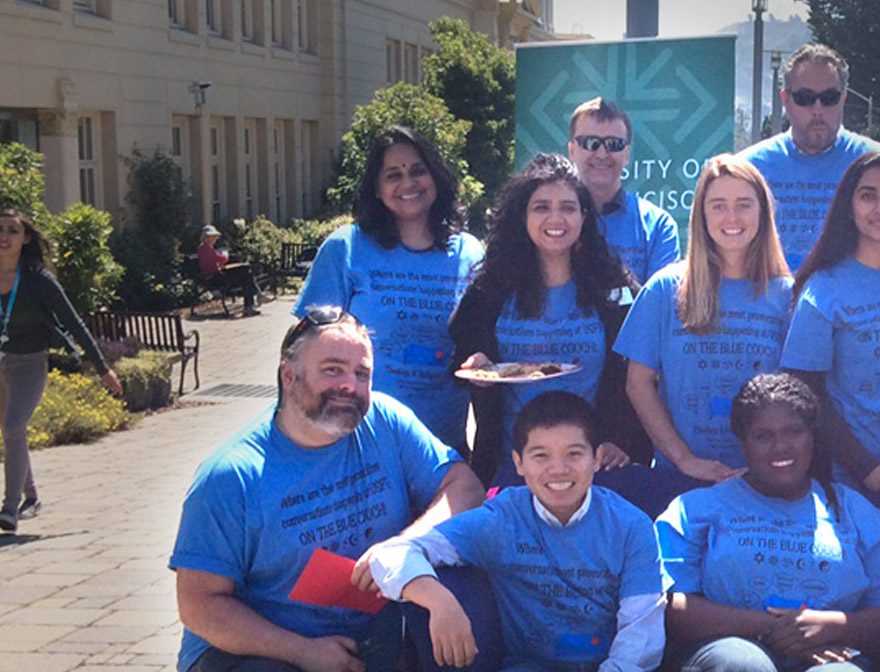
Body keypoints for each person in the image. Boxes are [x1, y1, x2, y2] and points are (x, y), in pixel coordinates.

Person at [170, 306, 484, 672]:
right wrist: (302, 652)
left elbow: (465, 487)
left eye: (361, 373)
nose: (349, 385)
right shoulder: (231, 476)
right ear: (289, 376)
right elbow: (199, 605)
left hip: (368, 639)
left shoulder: (384, 421)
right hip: (258, 649)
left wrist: (405, 546)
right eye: (332, 370)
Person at [363, 391, 666, 672]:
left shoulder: (631, 527)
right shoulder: (501, 520)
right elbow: (392, 554)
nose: (558, 469)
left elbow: (640, 638)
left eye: (574, 454)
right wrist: (439, 600)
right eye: (541, 456)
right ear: (518, 463)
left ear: (597, 458)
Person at [656, 373, 880, 671]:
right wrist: (774, 628)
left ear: (812, 435)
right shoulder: (697, 509)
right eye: (763, 436)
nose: (781, 447)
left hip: (833, 653)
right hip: (729, 648)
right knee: (744, 663)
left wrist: (832, 627)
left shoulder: (857, 513)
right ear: (743, 443)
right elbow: (670, 606)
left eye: (794, 432)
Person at [448, 154, 641, 487]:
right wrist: (475, 369)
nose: (556, 218)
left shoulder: (613, 286)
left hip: (591, 469)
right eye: (541, 207)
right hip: (510, 468)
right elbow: (462, 360)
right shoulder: (490, 288)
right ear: (522, 216)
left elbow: (639, 372)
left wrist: (619, 440)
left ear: (584, 216)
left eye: (567, 207)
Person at [294, 126, 485, 451]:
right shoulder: (346, 247)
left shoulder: (469, 253)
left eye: (418, 171)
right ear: (377, 189)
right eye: (393, 175)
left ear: (436, 178)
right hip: (356, 447)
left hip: (442, 449)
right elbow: (302, 352)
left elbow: (484, 339)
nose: (407, 183)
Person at [615, 154, 794, 484]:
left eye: (744, 204)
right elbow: (637, 383)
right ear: (701, 214)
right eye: (718, 205)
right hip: (680, 478)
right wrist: (685, 459)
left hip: (765, 480)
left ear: (762, 212)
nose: (732, 217)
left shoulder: (787, 295)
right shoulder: (665, 289)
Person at [783, 149, 880, 493]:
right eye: (868, 196)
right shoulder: (824, 289)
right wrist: (865, 467)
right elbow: (805, 390)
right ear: (849, 206)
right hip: (851, 484)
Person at [0, 208, 122, 535]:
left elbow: (75, 324)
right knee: (11, 431)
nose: (4, 237)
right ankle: (32, 497)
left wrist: (102, 368)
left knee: (13, 426)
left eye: (12, 231)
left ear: (25, 239)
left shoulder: (39, 279)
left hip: (29, 363)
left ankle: (9, 509)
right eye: (0, 230)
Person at [741, 44, 880, 272]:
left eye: (829, 98)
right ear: (786, 100)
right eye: (805, 98)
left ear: (843, 99)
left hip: (853, 304)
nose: (818, 109)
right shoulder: (750, 168)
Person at [567, 96, 681, 283]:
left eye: (613, 144)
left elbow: (661, 307)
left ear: (627, 154)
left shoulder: (659, 227)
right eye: (590, 143)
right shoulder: (550, 222)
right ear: (572, 151)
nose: (602, 154)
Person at [196, 224, 266, 316]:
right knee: (246, 275)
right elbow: (222, 259)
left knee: (246, 274)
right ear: (206, 237)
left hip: (216, 275)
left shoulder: (206, 248)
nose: (215, 239)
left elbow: (215, 262)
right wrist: (225, 255)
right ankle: (253, 301)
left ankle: (252, 302)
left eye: (215, 237)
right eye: (212, 237)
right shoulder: (205, 249)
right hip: (213, 278)